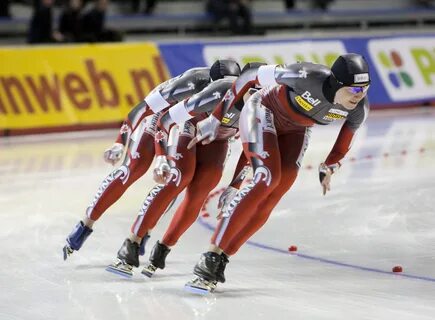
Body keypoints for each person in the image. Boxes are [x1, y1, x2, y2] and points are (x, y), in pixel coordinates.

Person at [185, 53, 371, 293]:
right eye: (355, 90)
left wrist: (330, 165)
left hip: (297, 128)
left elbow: (345, 139)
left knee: (279, 188)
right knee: (266, 177)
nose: (360, 96)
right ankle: (210, 256)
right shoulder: (306, 76)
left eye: (365, 89)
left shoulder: (358, 109)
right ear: (337, 84)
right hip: (263, 110)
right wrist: (216, 117)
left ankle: (222, 257)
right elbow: (250, 74)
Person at [62, 60, 241, 261]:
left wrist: (236, 184)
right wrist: (120, 142)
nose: (225, 97)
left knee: (181, 180)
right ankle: (86, 224)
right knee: (134, 168)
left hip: (195, 124)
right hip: (163, 116)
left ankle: (144, 231)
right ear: (209, 85)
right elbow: (143, 109)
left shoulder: (242, 98)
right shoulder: (192, 84)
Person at [105, 61, 249, 277]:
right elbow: (164, 121)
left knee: (201, 190)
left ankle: (163, 248)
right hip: (188, 127)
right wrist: (161, 157)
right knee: (177, 178)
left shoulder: (256, 105)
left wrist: (235, 186)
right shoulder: (204, 93)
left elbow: (251, 148)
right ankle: (132, 243)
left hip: (218, 139)